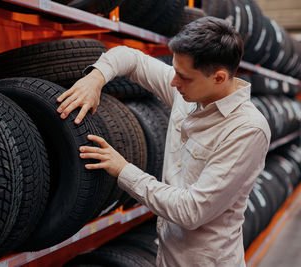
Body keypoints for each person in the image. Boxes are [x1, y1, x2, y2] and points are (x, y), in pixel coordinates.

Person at [56, 16, 271, 266]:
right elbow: (131, 58)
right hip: (166, 256)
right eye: (174, 70)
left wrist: (123, 170)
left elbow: (191, 211)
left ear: (219, 78)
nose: (173, 82)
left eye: (184, 77)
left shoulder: (247, 130)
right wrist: (95, 78)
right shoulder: (191, 93)